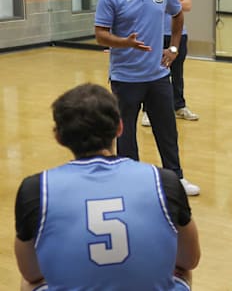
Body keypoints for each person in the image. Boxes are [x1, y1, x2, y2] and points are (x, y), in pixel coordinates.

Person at [14, 84, 200, 291]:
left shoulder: (35, 189)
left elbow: (30, 272)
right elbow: (189, 260)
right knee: (181, 270)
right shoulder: (165, 181)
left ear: (58, 136)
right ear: (120, 128)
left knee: (30, 283)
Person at [94, 0, 200, 196]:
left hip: (158, 77)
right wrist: (124, 42)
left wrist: (174, 48)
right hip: (125, 79)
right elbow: (100, 34)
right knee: (126, 135)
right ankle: (131, 183)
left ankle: (176, 178)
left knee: (167, 132)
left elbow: (177, 14)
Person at [142, 0, 198, 127]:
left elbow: (187, 5)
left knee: (177, 71)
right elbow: (146, 4)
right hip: (154, 34)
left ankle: (179, 106)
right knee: (153, 72)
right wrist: (175, 0)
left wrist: (164, 2)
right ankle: (148, 111)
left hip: (177, 34)